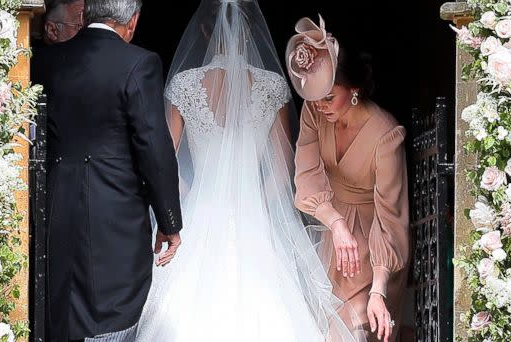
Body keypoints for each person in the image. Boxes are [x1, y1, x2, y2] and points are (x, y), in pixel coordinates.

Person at [136, 1, 361, 341]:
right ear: (251, 31)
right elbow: (283, 165)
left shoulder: (185, 84)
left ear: (203, 30)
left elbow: (164, 161)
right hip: (255, 218)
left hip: (199, 214)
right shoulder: (271, 87)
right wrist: (261, 203)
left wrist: (189, 196)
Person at [39, 0, 183, 341]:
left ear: (87, 13)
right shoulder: (139, 63)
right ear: (131, 22)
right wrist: (169, 222)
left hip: (56, 209)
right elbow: (154, 148)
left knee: (63, 311)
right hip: (114, 216)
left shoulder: (45, 61)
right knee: (114, 316)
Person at [286, 16, 410, 342]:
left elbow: (391, 219)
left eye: (330, 97)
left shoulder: (387, 135)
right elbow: (307, 175)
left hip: (374, 247)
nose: (320, 105)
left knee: (353, 326)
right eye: (316, 96)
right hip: (334, 237)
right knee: (320, 326)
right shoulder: (314, 111)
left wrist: (379, 290)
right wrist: (336, 223)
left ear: (354, 90)